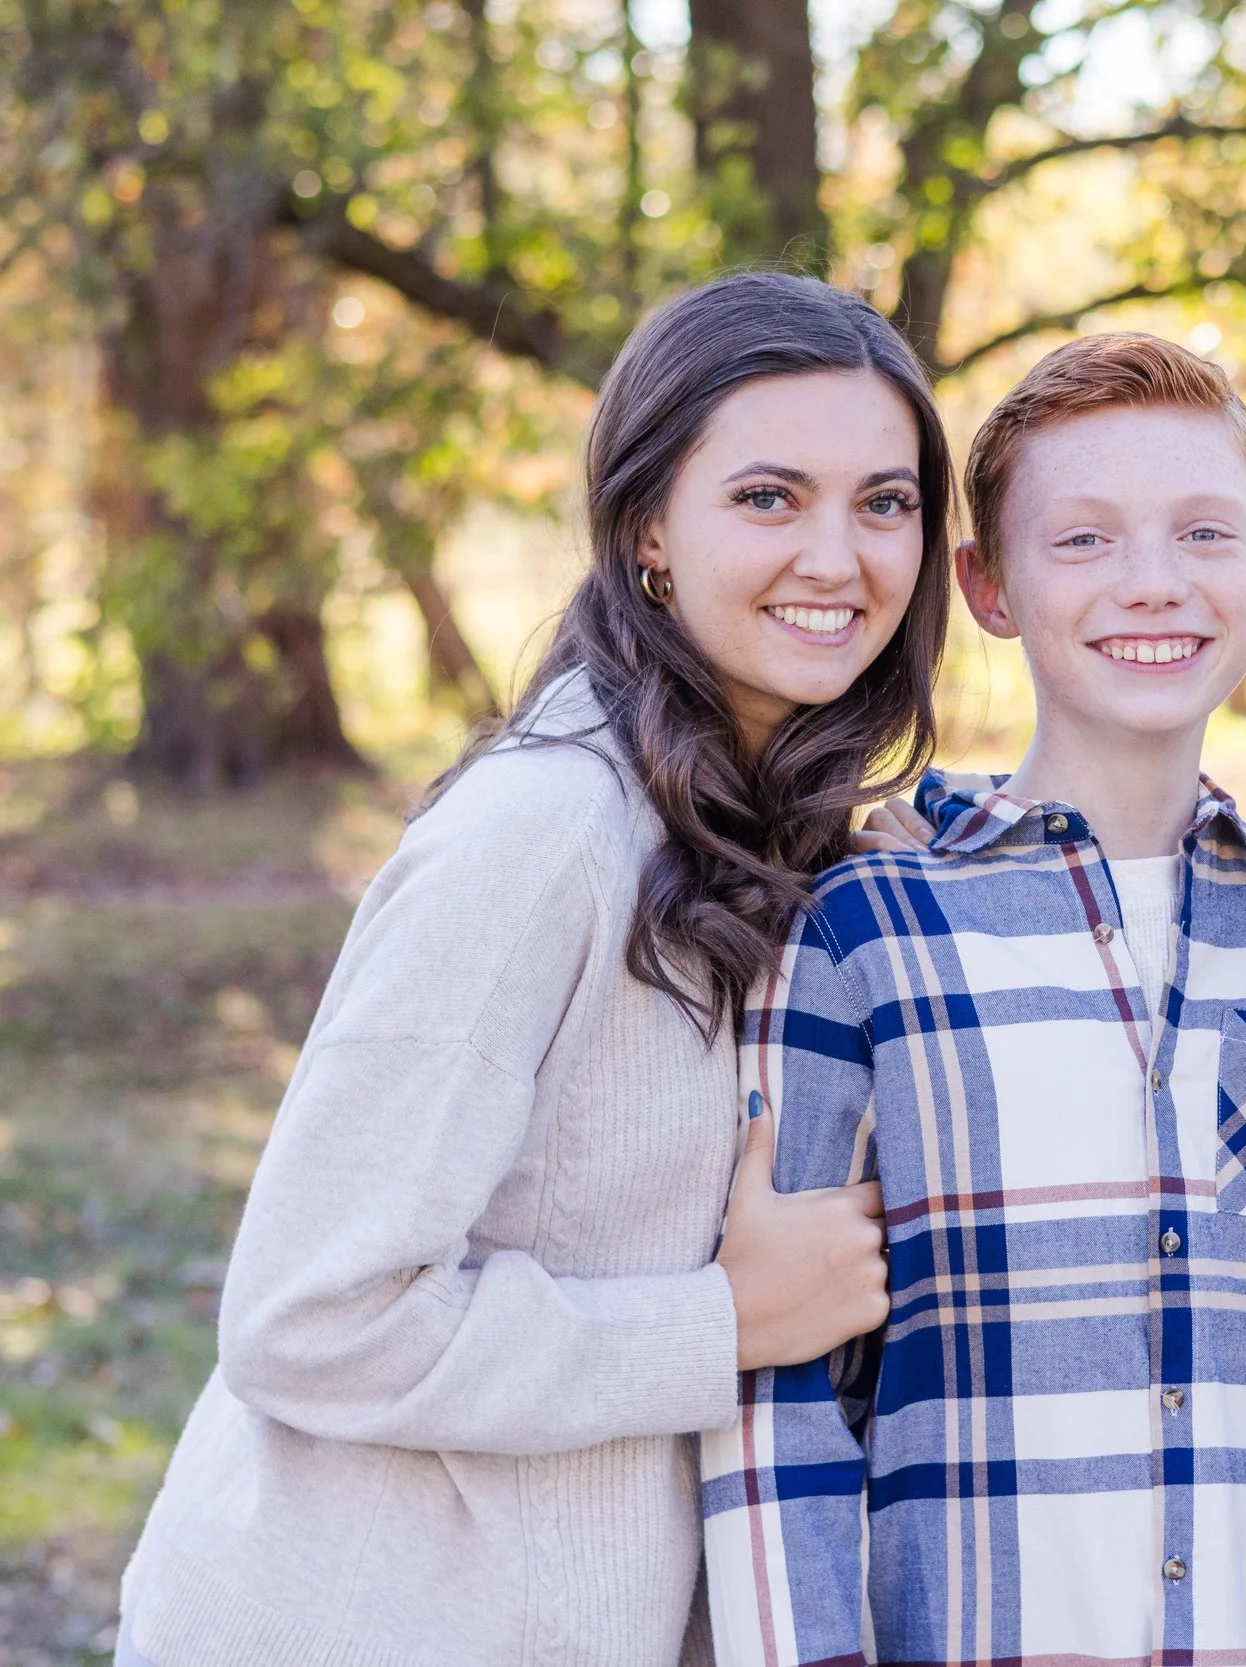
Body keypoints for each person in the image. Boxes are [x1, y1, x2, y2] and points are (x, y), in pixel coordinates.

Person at [114, 272, 941, 1667]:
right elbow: (309, 1314)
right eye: (767, 496)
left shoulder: (742, 820)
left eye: (885, 500)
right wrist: (723, 1320)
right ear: (646, 530)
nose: (837, 555)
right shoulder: (544, 835)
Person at [699, 333, 1246, 1667]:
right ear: (988, 584)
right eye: (1081, 539)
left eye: (1202, 530)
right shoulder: (868, 924)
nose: (1153, 581)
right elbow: (777, 1396)